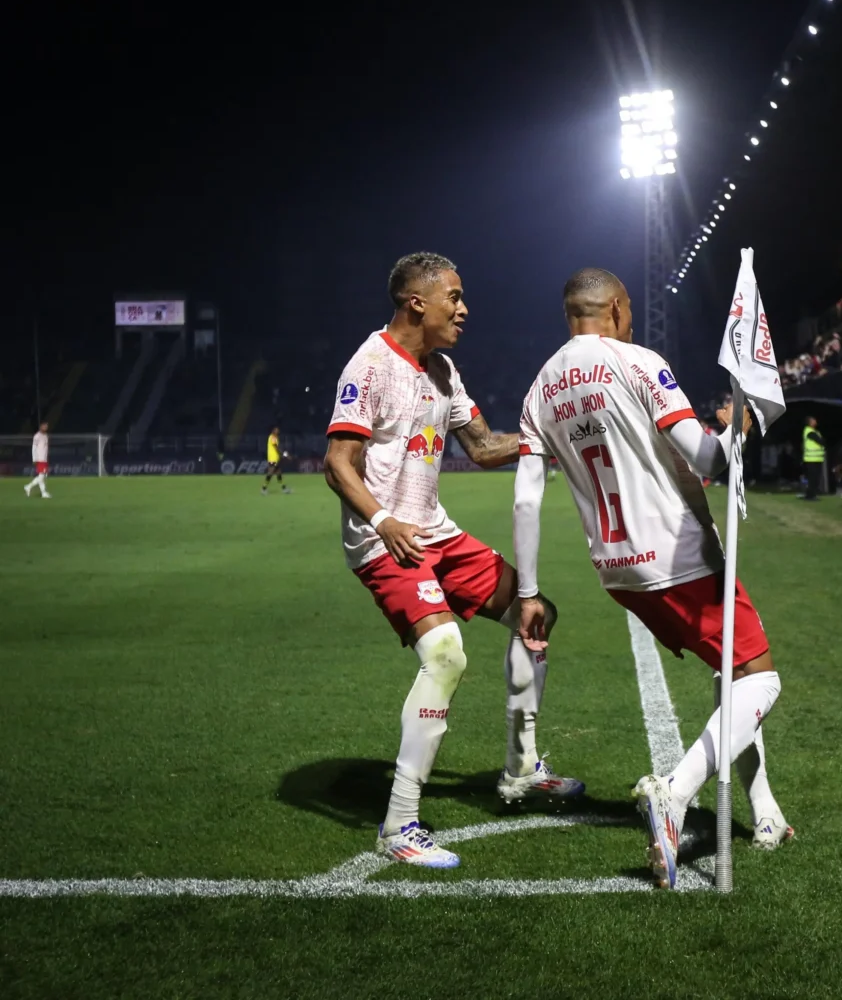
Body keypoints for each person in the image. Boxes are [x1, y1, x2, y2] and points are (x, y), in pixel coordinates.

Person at [514, 268, 791, 891]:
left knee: (733, 675)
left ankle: (766, 813)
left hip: (618, 572)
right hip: (680, 556)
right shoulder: (639, 362)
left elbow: (527, 502)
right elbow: (708, 457)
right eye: (629, 310)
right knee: (760, 677)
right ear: (614, 308)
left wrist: (528, 591)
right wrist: (739, 424)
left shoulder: (540, 390)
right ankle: (676, 791)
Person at [323, 252, 582, 871]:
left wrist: (550, 436)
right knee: (445, 655)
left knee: (535, 612)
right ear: (418, 302)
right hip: (385, 538)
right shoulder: (371, 365)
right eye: (454, 298)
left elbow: (486, 447)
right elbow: (338, 463)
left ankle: (521, 770)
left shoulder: (442, 370)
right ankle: (399, 823)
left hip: (435, 533)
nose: (464, 309)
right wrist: (384, 523)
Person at [22, 422, 50, 499]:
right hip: (40, 458)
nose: (45, 428)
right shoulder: (37, 436)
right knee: (41, 476)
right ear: (40, 427)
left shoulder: (46, 436)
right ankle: (29, 486)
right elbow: (34, 448)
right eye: (44, 426)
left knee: (42, 476)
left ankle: (43, 493)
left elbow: (45, 448)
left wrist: (46, 458)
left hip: (44, 459)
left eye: (46, 427)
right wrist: (34, 458)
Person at [261, 425, 292, 495]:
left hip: (275, 459)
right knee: (270, 473)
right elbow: (276, 448)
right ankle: (263, 489)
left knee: (279, 473)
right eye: (276, 430)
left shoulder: (275, 438)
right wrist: (285, 455)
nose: (278, 431)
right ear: (273, 430)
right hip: (273, 459)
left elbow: (277, 449)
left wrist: (282, 455)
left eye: (278, 430)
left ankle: (284, 489)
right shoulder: (272, 437)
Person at [802, 415, 826, 500]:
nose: (815, 422)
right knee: (812, 478)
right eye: (813, 421)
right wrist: (822, 441)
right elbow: (820, 441)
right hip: (810, 459)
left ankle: (813, 494)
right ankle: (810, 495)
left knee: (816, 478)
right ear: (809, 422)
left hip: (817, 459)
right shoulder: (808, 431)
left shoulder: (815, 431)